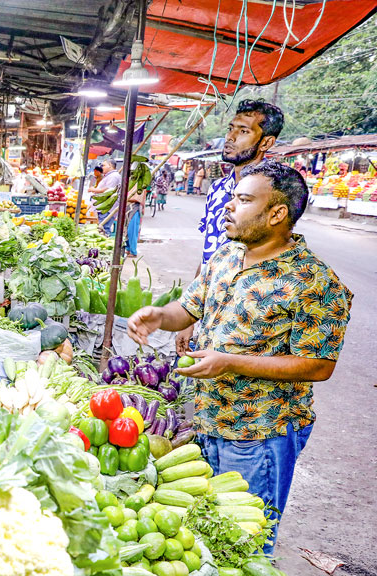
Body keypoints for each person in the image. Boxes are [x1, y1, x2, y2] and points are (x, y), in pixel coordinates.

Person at [127, 162, 352, 554]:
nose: (230, 207)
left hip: (260, 433)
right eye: (233, 197)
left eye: (244, 200)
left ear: (277, 213)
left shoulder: (315, 282)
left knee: (245, 544)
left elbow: (319, 365)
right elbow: (189, 309)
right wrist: (159, 316)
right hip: (207, 418)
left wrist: (229, 362)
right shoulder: (228, 255)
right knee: (206, 535)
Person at [175, 99, 284, 355]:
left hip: (248, 327)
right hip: (210, 320)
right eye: (230, 129)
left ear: (266, 142)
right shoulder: (217, 189)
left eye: (244, 131)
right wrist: (189, 316)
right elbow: (208, 255)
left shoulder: (275, 191)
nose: (231, 137)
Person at [88, 159, 122, 235]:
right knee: (102, 228)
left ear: (110, 165)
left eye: (103, 165)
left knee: (104, 229)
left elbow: (107, 190)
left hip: (107, 208)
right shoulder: (110, 176)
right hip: (104, 207)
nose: (101, 167)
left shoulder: (114, 176)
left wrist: (94, 190)